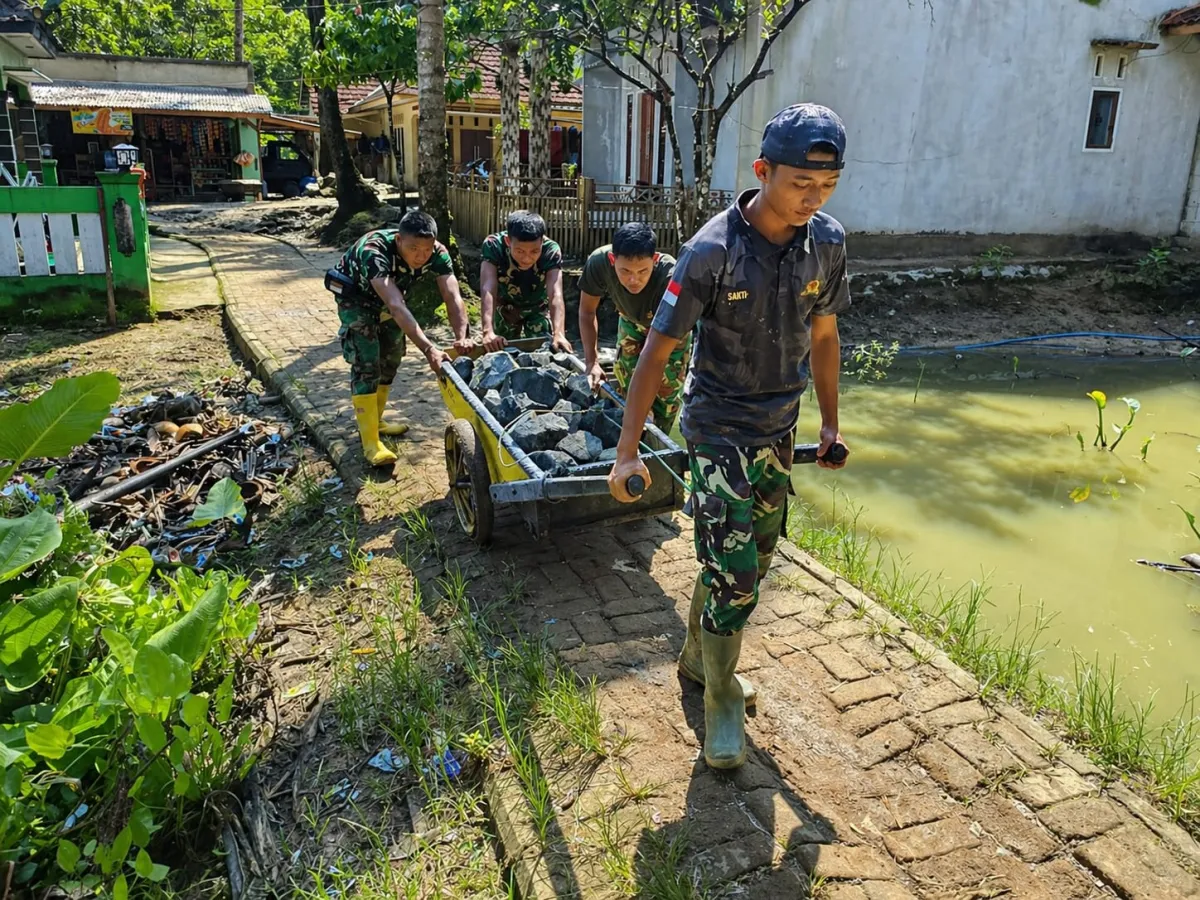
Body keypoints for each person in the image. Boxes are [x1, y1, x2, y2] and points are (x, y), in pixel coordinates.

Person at [607, 104, 852, 770]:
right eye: (800, 182)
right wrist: (628, 450)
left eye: (825, 187)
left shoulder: (825, 243)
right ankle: (719, 696)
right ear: (763, 171)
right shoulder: (712, 251)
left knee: (750, 561)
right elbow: (656, 351)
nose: (812, 198)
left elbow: (825, 337)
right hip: (717, 427)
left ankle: (697, 660)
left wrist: (829, 423)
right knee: (736, 574)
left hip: (778, 425)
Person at [333, 209, 473, 467]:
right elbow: (396, 305)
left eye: (427, 249)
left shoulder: (438, 252)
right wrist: (429, 349)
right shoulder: (374, 251)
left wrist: (461, 338)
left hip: (390, 304)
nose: (421, 256)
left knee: (392, 358)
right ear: (399, 240)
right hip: (357, 302)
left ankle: (377, 419)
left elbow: (452, 295)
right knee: (367, 364)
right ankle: (370, 442)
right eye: (413, 248)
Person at [578, 223, 689, 433]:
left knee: (664, 399)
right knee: (626, 389)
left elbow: (657, 356)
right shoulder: (599, 262)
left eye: (642, 271)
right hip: (630, 321)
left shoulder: (672, 278)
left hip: (670, 333)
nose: (633, 279)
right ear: (613, 260)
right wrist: (591, 362)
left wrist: (643, 405)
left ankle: (658, 450)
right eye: (625, 271)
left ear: (655, 260)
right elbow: (586, 312)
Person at [479, 210, 572, 353]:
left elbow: (556, 294)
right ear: (508, 242)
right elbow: (488, 287)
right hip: (505, 308)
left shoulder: (551, 250)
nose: (527, 258)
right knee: (501, 352)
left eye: (535, 251)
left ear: (542, 241)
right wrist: (487, 330)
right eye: (520, 251)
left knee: (544, 351)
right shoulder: (493, 246)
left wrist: (559, 333)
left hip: (537, 307)